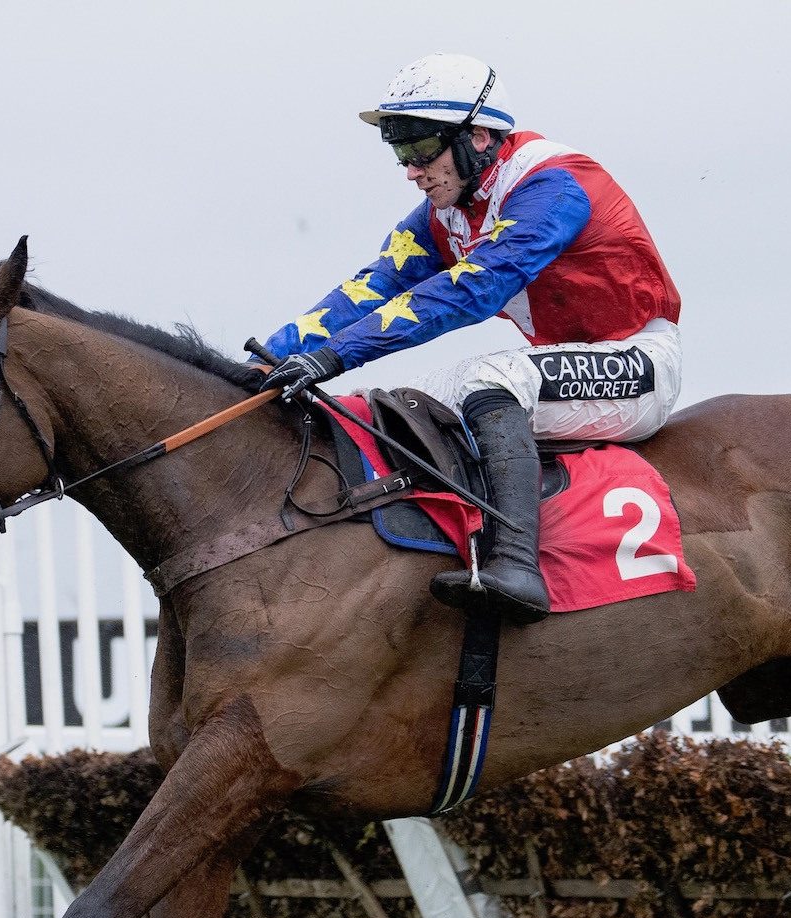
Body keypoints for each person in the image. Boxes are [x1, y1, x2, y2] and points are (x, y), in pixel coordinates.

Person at [257, 53, 683, 624]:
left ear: (478, 137)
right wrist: (269, 360)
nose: (411, 170)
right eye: (401, 153)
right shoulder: (447, 211)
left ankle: (516, 567)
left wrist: (333, 357)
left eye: (422, 151)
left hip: (639, 363)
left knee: (489, 377)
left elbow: (473, 290)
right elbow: (368, 289)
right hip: (562, 366)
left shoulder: (557, 187)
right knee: (408, 401)